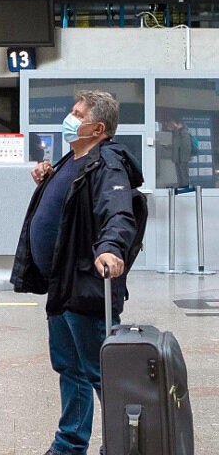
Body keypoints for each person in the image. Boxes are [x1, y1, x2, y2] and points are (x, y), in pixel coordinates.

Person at [10, 90, 143, 455]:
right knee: (71, 370)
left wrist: (111, 247)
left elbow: (118, 211)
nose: (70, 117)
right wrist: (45, 176)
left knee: (102, 375)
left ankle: (123, 446)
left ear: (98, 127)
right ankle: (69, 445)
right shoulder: (74, 158)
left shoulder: (108, 162)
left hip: (87, 286)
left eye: (77, 113)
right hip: (62, 284)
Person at [168, 118, 193, 188]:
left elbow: (186, 146)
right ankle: (181, 185)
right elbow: (176, 144)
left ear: (180, 124)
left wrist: (185, 157)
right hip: (178, 156)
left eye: (174, 124)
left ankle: (185, 185)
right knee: (179, 172)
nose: (172, 125)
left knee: (183, 171)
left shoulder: (184, 132)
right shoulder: (176, 132)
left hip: (182, 157)